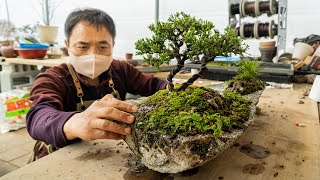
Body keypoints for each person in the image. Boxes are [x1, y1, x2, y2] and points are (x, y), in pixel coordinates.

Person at [26, 8, 167, 155]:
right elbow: (37, 117)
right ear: (67, 45)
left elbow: (154, 85)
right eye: (82, 47)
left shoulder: (121, 70)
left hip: (110, 153)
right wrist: (74, 122)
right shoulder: (53, 78)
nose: (93, 55)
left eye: (102, 47)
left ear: (113, 45)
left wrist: (179, 87)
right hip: (62, 156)